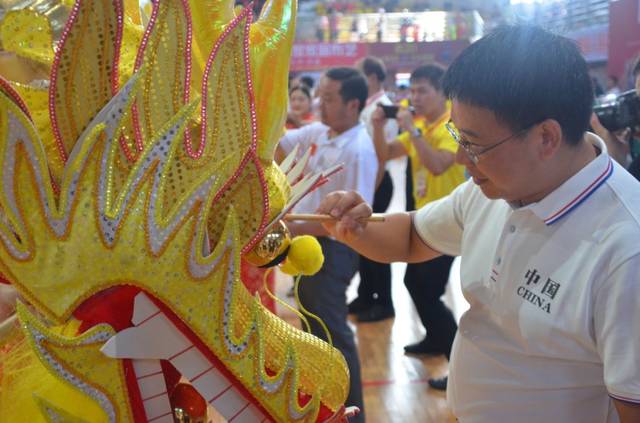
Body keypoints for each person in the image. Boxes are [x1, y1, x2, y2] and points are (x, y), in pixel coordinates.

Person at [316, 25, 640, 422]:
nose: (463, 159)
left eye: (474, 144)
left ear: (546, 138)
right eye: (459, 137)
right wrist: (357, 228)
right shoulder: (496, 189)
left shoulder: (626, 249)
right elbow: (412, 236)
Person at [277, 67, 377, 422]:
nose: (320, 103)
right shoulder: (320, 131)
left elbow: (349, 223)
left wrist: (290, 223)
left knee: (331, 331)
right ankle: (323, 405)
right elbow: (277, 146)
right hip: (307, 245)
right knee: (314, 328)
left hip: (334, 250)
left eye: (329, 97)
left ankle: (352, 414)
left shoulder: (358, 149)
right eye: (320, 95)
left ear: (353, 104)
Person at [371, 64, 465, 390]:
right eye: (411, 91)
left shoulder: (453, 124)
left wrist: (413, 131)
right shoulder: (421, 124)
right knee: (414, 281)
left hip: (452, 223)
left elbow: (438, 165)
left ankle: (461, 369)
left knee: (427, 289)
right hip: (428, 222)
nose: (415, 97)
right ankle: (436, 339)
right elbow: (386, 154)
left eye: (422, 90)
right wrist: (376, 126)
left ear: (442, 93)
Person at [349, 56, 398, 322]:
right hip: (368, 181)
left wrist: (371, 189)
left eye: (360, 75)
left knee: (376, 243)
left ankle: (385, 302)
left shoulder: (383, 108)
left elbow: (382, 155)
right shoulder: (368, 107)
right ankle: (366, 295)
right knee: (363, 243)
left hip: (378, 182)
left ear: (373, 77)